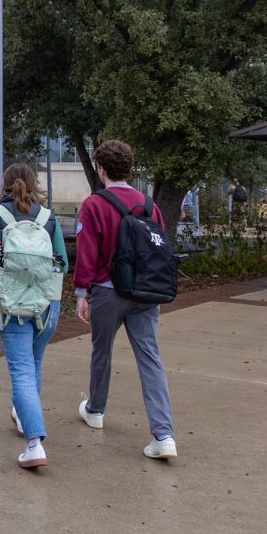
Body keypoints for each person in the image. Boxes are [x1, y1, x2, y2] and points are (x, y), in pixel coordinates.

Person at [74, 140, 177, 460]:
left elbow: (87, 253)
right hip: (145, 292)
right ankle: (164, 434)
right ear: (129, 168)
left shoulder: (94, 204)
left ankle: (96, 409)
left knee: (101, 352)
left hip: (107, 291)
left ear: (101, 169)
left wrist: (81, 292)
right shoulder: (149, 205)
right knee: (150, 358)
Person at [0, 164, 66, 468]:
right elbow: (61, 264)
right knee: (34, 364)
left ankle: (34, 443)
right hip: (46, 303)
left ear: (6, 185)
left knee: (21, 370)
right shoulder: (49, 218)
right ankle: (24, 419)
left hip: (11, 305)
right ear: (34, 184)